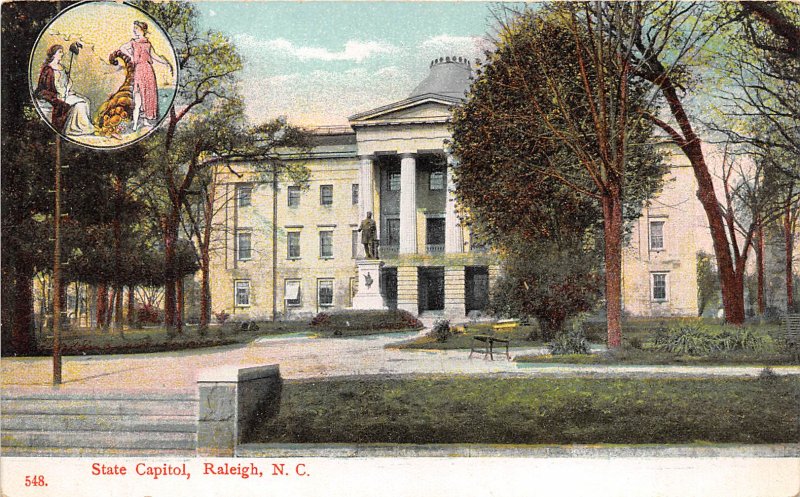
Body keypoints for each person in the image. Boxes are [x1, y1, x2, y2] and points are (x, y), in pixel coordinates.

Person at [120, 21, 172, 131]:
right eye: (134, 28)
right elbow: (122, 48)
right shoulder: (133, 42)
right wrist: (131, 56)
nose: (134, 30)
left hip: (148, 70)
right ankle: (135, 124)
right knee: (138, 96)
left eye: (136, 28)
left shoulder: (148, 44)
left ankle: (145, 120)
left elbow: (154, 56)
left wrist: (166, 63)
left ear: (142, 30)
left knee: (148, 95)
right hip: (139, 70)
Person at [35, 44, 94, 136]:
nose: (62, 54)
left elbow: (67, 82)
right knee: (80, 104)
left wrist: (68, 85)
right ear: (54, 54)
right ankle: (75, 129)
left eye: (62, 52)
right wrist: (61, 92)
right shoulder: (49, 69)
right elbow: (48, 86)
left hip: (66, 92)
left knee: (86, 101)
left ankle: (83, 127)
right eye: (60, 52)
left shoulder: (62, 67)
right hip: (57, 94)